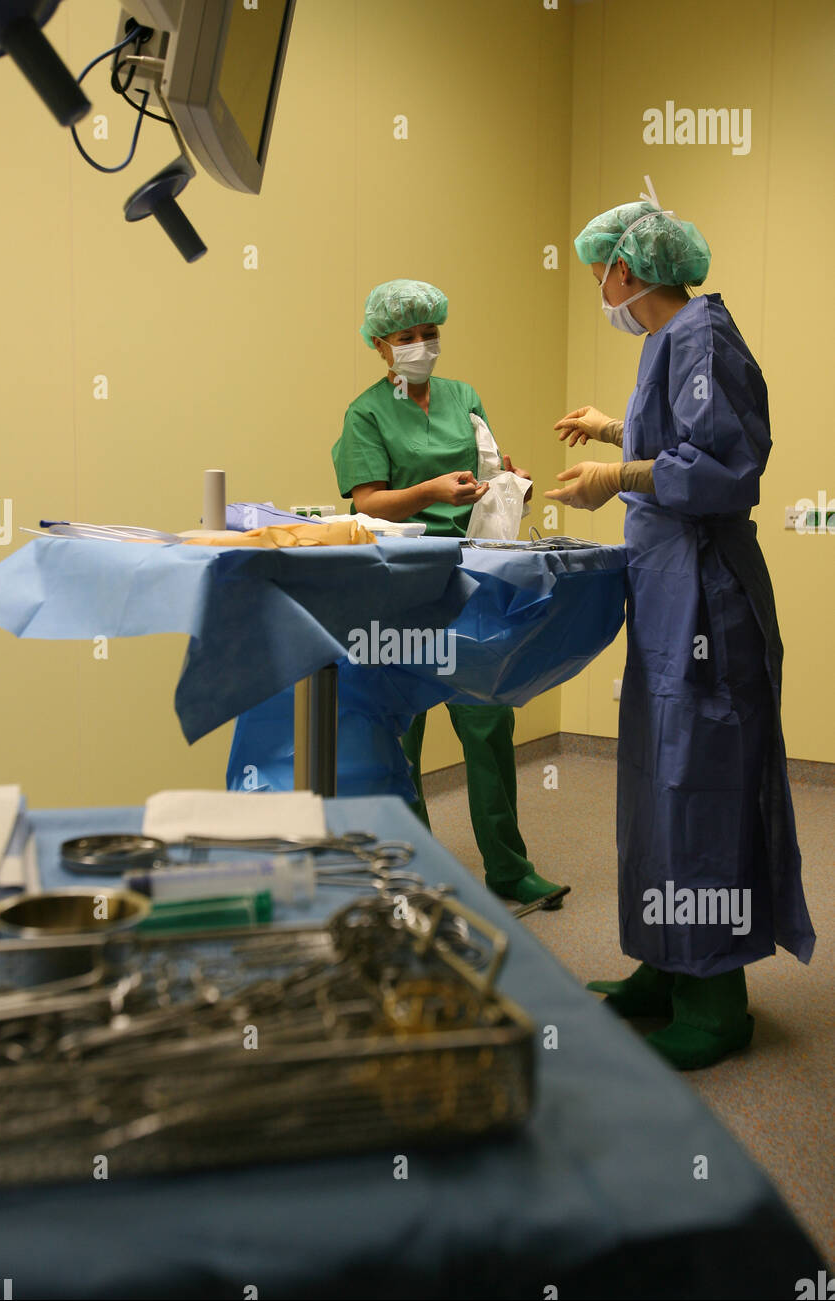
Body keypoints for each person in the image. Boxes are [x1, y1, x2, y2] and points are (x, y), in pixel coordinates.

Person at [548, 198, 814, 1068]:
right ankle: (663, 961)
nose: (600, 288)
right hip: (669, 597)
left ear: (625, 272)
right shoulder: (672, 342)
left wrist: (616, 472)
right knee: (655, 779)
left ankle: (714, 996)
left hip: (708, 604)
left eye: (600, 274)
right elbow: (686, 438)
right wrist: (616, 429)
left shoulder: (702, 335)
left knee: (701, 786)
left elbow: (725, 469)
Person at [332, 278, 569, 908]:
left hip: (471, 576)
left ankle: (510, 869)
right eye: (405, 338)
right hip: (400, 581)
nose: (419, 346)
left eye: (428, 334)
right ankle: (416, 875)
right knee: (401, 730)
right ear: (380, 345)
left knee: (488, 721)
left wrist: (506, 478)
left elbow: (489, 464)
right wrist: (430, 492)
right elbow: (367, 501)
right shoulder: (366, 413)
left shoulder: (463, 396)